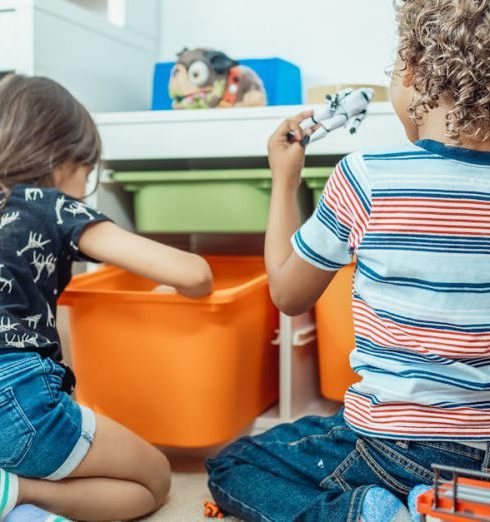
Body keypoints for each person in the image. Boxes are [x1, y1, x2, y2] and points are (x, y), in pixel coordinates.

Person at [206, 1, 490, 520]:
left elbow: (289, 296)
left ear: (410, 69)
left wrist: (285, 180)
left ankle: (371, 513)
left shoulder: (368, 177)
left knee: (235, 464)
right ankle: (452, 505)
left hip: (396, 447)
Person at [0, 74, 213, 522]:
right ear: (63, 161)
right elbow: (195, 274)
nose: (84, 186)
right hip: (15, 401)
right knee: (152, 480)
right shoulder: (48, 203)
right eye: (87, 174)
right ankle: (17, 491)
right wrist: (178, 285)